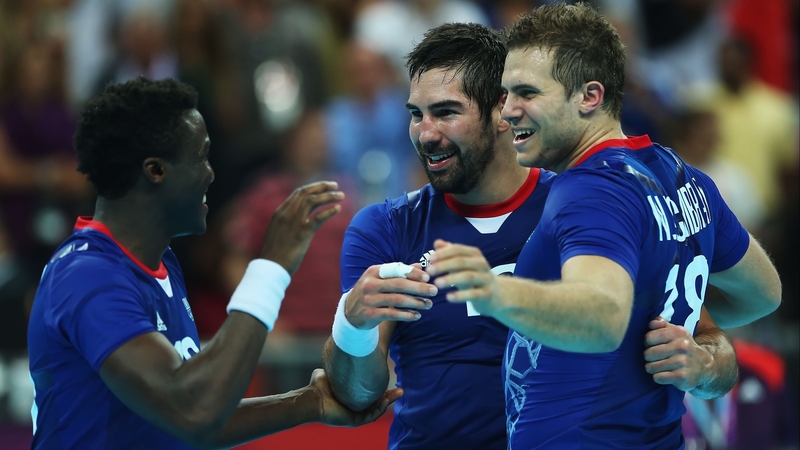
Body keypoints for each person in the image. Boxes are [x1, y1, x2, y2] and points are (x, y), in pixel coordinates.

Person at [321, 22, 738, 450]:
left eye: (446, 112)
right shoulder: (384, 227)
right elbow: (359, 395)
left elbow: (711, 339)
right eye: (415, 114)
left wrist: (704, 365)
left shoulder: (586, 204)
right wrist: (352, 324)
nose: (426, 134)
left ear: (504, 110)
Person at [424, 3, 782, 449]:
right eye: (505, 94)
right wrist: (686, 339)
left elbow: (603, 319)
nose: (507, 112)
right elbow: (763, 293)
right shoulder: (681, 175)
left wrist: (495, 292)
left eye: (527, 93)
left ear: (589, 96)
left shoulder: (590, 190)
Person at [26, 77, 400, 450]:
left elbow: (191, 422)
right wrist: (271, 266)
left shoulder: (159, 264)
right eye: (201, 156)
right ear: (155, 170)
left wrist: (309, 402)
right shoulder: (87, 275)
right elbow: (192, 410)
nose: (211, 173)